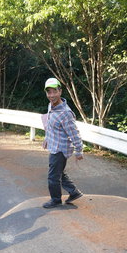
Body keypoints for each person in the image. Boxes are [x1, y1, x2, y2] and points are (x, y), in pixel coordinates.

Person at [42, 78, 84, 208]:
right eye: (49, 92)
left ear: (60, 91)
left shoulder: (65, 113)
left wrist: (79, 150)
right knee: (58, 172)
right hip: (54, 146)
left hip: (60, 149)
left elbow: (74, 133)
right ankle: (74, 192)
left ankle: (56, 200)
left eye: (54, 91)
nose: (51, 95)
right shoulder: (51, 106)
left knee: (53, 177)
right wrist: (46, 139)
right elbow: (50, 125)